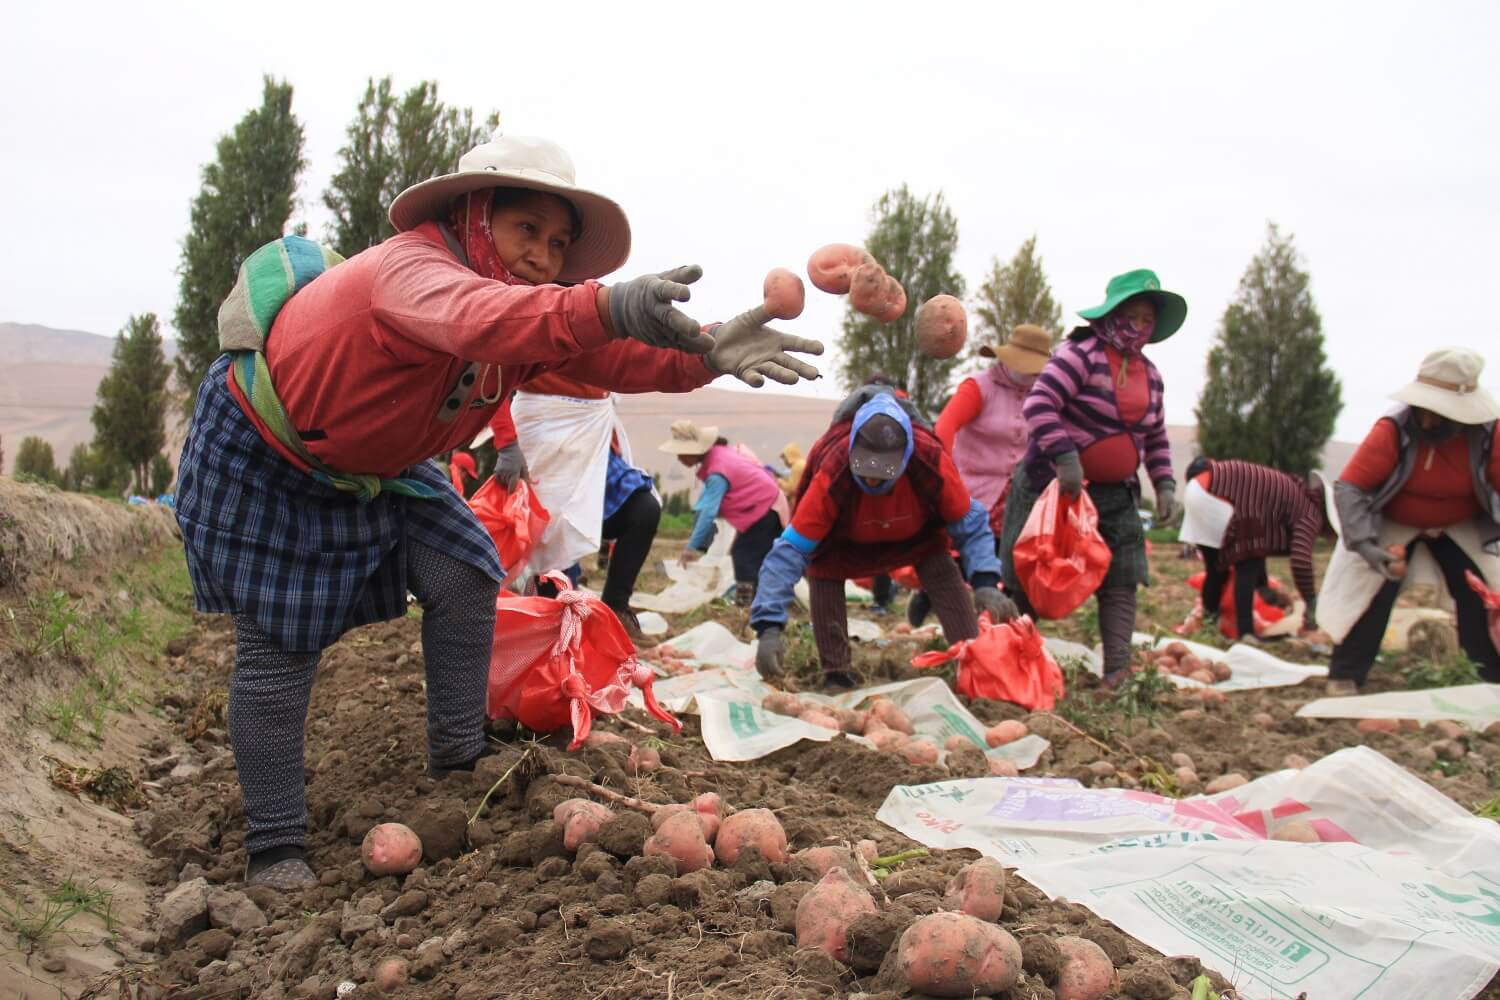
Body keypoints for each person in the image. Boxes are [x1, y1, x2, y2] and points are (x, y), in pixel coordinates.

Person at [174, 130, 824, 888]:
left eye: (557, 243)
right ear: (476, 213)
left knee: (464, 570)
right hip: (278, 452)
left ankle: (457, 749)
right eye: (527, 231)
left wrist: (704, 351)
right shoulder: (411, 269)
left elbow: (602, 352)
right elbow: (481, 317)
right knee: (280, 648)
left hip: (389, 463)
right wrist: (604, 303)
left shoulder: (517, 311)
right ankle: (274, 843)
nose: (544, 256)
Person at [751, 389, 1017, 688]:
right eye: (865, 472)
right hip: (842, 544)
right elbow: (790, 551)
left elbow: (970, 524)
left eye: (883, 474)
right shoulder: (835, 467)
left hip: (916, 537)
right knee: (823, 571)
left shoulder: (927, 458)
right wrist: (769, 627)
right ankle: (836, 673)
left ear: (903, 458)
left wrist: (984, 582)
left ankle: (973, 662)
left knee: (939, 565)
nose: (873, 480)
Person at [997, 268, 1185, 684]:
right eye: (1130, 316)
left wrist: (1166, 484)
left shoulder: (1150, 375)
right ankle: (1011, 662)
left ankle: (1117, 670)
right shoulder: (1081, 355)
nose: (1137, 327)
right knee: (1030, 575)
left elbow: (1155, 436)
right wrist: (1066, 458)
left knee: (1122, 576)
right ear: (1111, 313)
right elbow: (1040, 404)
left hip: (1116, 493)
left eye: (1146, 320)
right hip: (1054, 487)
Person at [1319, 348, 1500, 694]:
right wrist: (1367, 547)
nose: (1429, 421)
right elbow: (1351, 487)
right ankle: (1346, 673)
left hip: (1461, 522)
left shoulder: (1490, 435)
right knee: (1370, 587)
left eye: (1441, 414)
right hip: (1394, 518)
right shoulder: (1394, 428)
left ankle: (1489, 676)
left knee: (1482, 589)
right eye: (1426, 411)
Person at [488, 379, 661, 642]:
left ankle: (615, 608)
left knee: (643, 510)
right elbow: (492, 370)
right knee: (550, 541)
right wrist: (506, 442)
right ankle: (548, 624)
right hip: (545, 430)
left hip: (593, 434)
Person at [913, 323, 1053, 627]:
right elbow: (944, 429)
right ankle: (931, 598)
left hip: (1020, 494)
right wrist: (943, 476)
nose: (1033, 374)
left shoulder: (1044, 395)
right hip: (974, 487)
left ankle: (1010, 627)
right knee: (968, 552)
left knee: (1016, 557)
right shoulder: (978, 387)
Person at [1177, 456, 1331, 641]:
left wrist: (1262, 585)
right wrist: (1311, 602)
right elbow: (1301, 561)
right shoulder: (1310, 513)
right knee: (1247, 561)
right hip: (1217, 493)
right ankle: (1246, 634)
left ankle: (1208, 628)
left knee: (1217, 570)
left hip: (1199, 489)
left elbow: (1261, 540)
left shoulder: (1294, 497)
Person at [660, 420, 789, 607]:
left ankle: (746, 607)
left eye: (681, 453)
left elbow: (708, 513)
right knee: (754, 556)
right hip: (766, 505)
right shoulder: (718, 455)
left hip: (766, 508)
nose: (679, 458)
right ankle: (763, 601)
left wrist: (691, 547)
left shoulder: (716, 471)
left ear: (693, 451)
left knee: (744, 556)